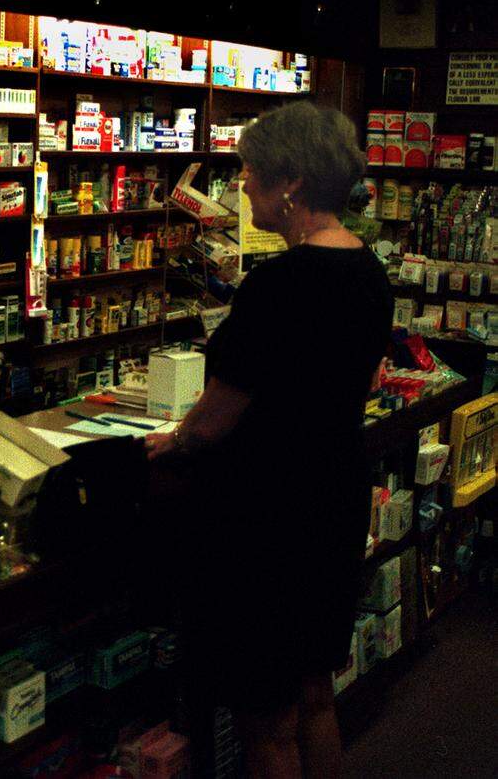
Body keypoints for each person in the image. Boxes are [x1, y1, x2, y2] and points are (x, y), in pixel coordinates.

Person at [144, 102, 392, 777]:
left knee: (266, 722)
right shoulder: (368, 269)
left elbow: (214, 420)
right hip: (333, 498)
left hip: (268, 517)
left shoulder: (280, 284)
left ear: (291, 183)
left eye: (251, 171)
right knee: (314, 694)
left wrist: (176, 442)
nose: (243, 184)